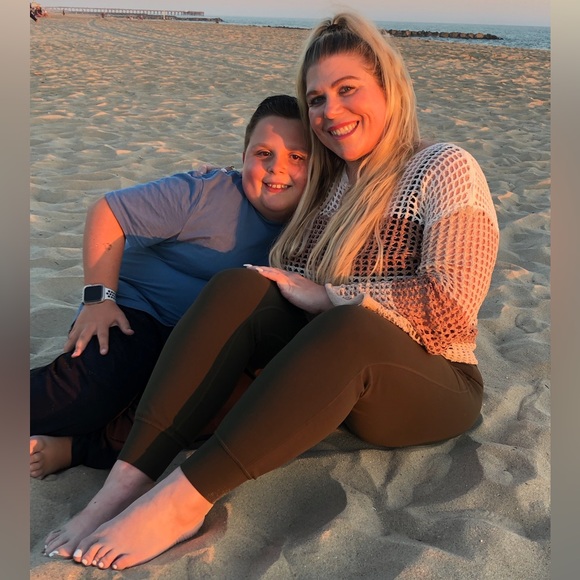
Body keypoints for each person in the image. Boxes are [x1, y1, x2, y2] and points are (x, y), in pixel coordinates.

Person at [42, 12, 499, 571]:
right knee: (242, 285)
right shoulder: (329, 185)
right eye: (317, 99)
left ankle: (182, 504)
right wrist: (223, 180)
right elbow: (283, 255)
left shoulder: (443, 167)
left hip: (433, 381)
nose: (330, 111)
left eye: (347, 89)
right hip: (333, 371)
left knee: (352, 322)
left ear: (389, 87)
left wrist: (333, 296)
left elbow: (452, 306)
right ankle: (124, 482)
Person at [30, 94, 309, 478]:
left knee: (216, 409)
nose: (278, 168)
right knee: (89, 394)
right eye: (264, 153)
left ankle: (76, 449)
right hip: (137, 311)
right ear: (244, 156)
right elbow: (108, 212)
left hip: (199, 342)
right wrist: (99, 300)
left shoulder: (316, 224)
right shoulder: (205, 194)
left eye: (297, 157)